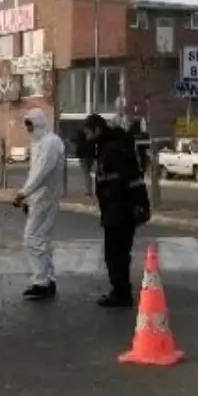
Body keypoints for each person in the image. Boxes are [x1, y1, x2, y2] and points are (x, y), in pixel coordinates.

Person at [84, 113, 150, 308]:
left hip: (119, 210)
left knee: (115, 253)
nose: (86, 137)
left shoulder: (112, 149)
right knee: (119, 253)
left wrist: (137, 204)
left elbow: (129, 179)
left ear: (97, 129)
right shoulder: (110, 146)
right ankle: (121, 290)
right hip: (118, 208)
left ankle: (120, 293)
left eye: (88, 132)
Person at [12, 108, 66, 300]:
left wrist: (23, 194)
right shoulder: (41, 142)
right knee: (42, 239)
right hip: (40, 198)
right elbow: (34, 172)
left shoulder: (50, 143)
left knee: (32, 239)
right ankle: (47, 279)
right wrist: (28, 196)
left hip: (45, 198)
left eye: (29, 125)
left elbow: (41, 172)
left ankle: (41, 281)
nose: (27, 129)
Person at [72, 127, 97, 196]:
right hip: (90, 157)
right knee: (88, 173)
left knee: (86, 173)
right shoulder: (92, 139)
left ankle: (88, 190)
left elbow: (78, 147)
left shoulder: (80, 139)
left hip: (83, 157)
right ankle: (89, 189)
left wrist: (78, 155)